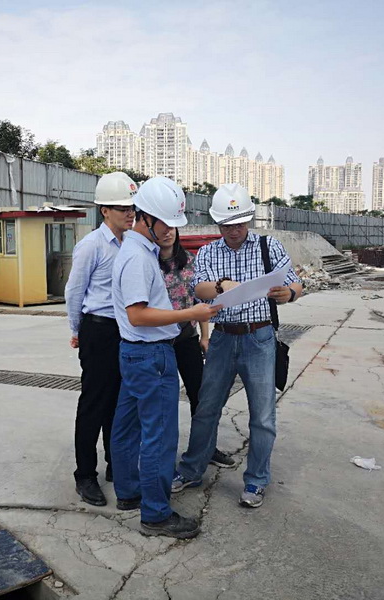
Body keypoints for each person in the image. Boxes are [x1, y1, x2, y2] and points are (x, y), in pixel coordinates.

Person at [171, 183, 303, 509]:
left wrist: (289, 294)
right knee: (206, 408)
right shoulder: (209, 252)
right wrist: (220, 286)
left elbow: (294, 282)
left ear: (249, 219)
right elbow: (199, 290)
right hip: (223, 338)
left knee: (262, 416)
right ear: (218, 223)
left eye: (240, 223)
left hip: (259, 338)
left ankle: (256, 480)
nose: (234, 230)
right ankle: (192, 469)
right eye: (227, 225)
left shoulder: (268, 246)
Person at [110, 176, 221, 539]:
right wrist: (192, 314)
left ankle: (129, 492)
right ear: (146, 218)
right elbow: (138, 314)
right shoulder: (138, 258)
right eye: (166, 223)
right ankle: (156, 514)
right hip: (151, 356)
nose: (171, 230)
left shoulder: (139, 251)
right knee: (159, 436)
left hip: (136, 354)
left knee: (126, 426)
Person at [64, 172, 138, 507]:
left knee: (118, 403)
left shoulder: (131, 243)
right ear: (104, 210)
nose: (129, 213)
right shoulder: (92, 245)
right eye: (122, 208)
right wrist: (77, 330)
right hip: (98, 330)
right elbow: (74, 291)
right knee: (94, 404)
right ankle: (85, 475)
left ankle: (115, 464)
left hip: (125, 331)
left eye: (132, 207)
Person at [156, 228, 236, 469]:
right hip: (158, 341)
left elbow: (200, 301)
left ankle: (206, 448)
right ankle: (159, 455)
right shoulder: (147, 262)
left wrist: (204, 335)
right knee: (161, 400)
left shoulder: (190, 261)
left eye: (172, 229)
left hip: (186, 338)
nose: (167, 234)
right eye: (162, 229)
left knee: (200, 396)